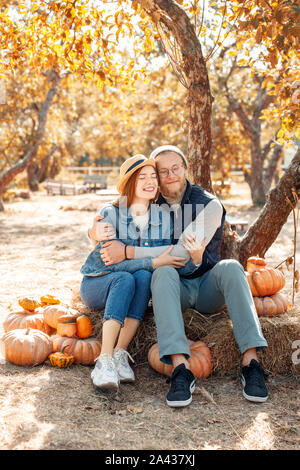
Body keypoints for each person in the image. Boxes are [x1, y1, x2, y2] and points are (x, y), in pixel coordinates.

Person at [89, 145, 269, 407]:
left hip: (207, 286)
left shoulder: (209, 204)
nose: (170, 175)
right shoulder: (152, 201)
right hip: (173, 289)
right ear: (156, 176)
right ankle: (180, 369)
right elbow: (119, 208)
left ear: (186, 169)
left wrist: (126, 251)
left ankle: (250, 362)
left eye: (176, 168)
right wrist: (94, 230)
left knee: (231, 266)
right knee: (162, 272)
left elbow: (182, 254)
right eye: (162, 171)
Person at [81, 154, 205, 392]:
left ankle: (119, 353)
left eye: (153, 177)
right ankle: (104, 359)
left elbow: (175, 257)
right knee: (126, 278)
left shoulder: (164, 217)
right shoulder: (111, 213)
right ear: (130, 183)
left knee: (143, 278)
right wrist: (155, 260)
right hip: (98, 282)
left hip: (129, 280)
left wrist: (193, 256)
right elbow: (112, 263)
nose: (150, 182)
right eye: (142, 178)